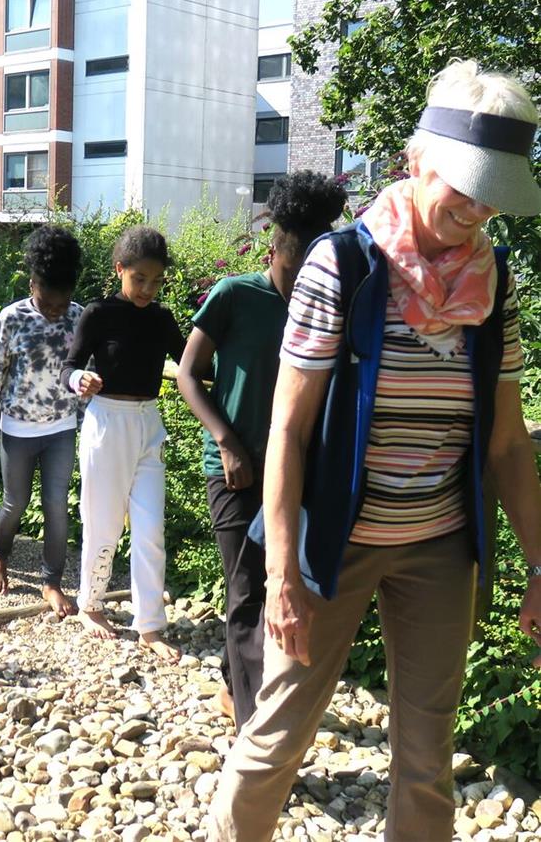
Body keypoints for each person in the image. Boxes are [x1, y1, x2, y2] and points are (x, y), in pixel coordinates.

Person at [207, 60, 541, 842]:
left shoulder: (495, 291)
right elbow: (286, 431)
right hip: (331, 544)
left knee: (426, 755)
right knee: (280, 730)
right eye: (464, 182)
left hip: (437, 547)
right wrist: (283, 574)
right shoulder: (344, 266)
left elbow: (507, 441)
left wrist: (537, 562)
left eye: (493, 189)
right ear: (418, 157)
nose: (478, 207)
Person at [177, 172, 347, 729]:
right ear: (274, 247)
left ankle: (237, 686)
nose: (305, 280)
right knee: (248, 592)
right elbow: (188, 374)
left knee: (288, 588)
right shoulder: (233, 296)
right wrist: (226, 442)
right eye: (297, 267)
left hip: (299, 470)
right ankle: (256, 728)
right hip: (236, 470)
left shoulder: (330, 303)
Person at [61, 225, 185, 660]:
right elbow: (69, 366)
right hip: (106, 421)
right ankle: (90, 604)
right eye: (139, 279)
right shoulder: (98, 313)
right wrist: (81, 379)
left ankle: (149, 625)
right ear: (120, 270)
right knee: (103, 521)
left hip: (148, 424)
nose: (147, 289)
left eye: (156, 280)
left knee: (150, 528)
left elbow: (190, 363)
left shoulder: (162, 318)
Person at [0, 225, 83, 618]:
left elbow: (86, 377)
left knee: (57, 507)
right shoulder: (12, 318)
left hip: (61, 428)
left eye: (61, 304)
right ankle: (0, 555)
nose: (54, 311)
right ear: (33, 284)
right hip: (18, 429)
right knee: (15, 502)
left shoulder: (79, 318)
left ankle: (52, 581)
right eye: (47, 303)